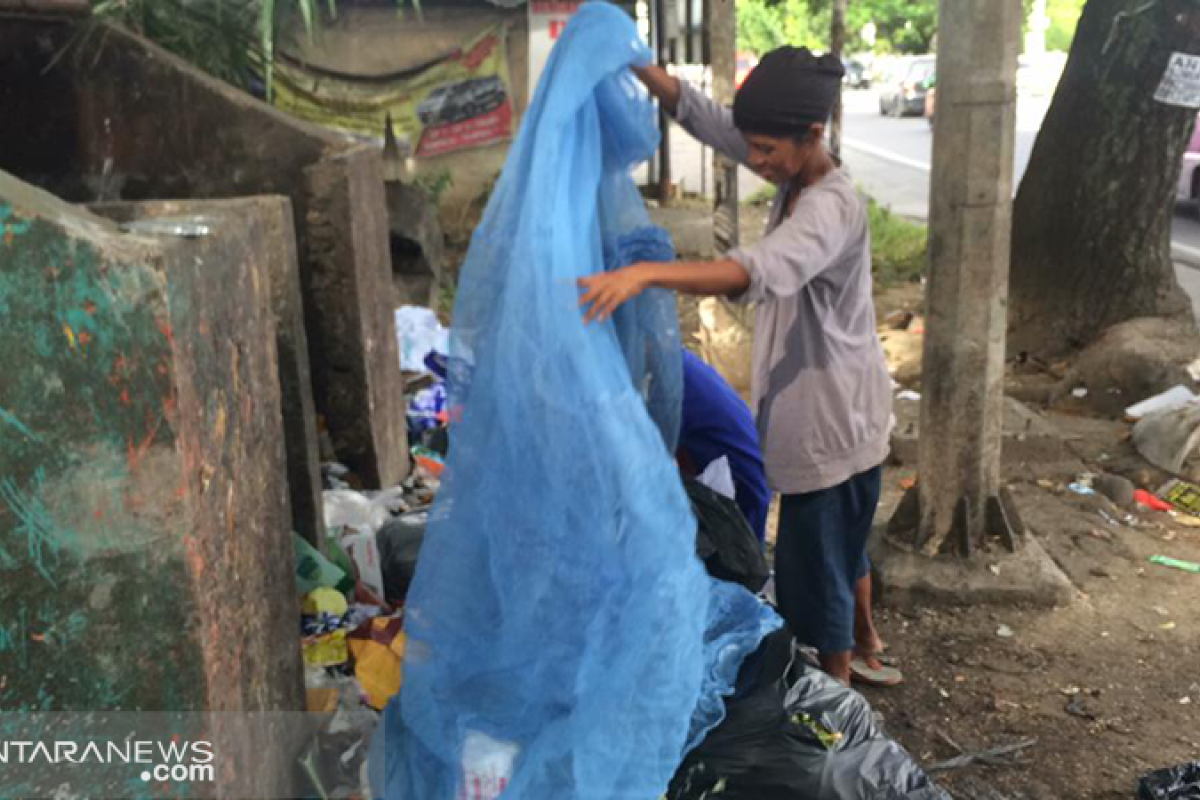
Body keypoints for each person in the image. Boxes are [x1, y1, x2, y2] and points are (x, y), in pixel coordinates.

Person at [578, 47, 901, 687]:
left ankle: (835, 704)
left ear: (812, 135)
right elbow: (705, 117)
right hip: (850, 423)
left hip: (830, 425)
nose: (755, 160)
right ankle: (869, 640)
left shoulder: (829, 208)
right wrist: (632, 58)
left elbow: (755, 272)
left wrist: (646, 273)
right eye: (751, 147)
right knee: (840, 546)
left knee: (814, 579)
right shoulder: (796, 171)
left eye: (766, 150)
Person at [679, 348, 771, 544]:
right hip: (739, 472)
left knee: (738, 562)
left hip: (733, 486)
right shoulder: (677, 363)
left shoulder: (667, 377)